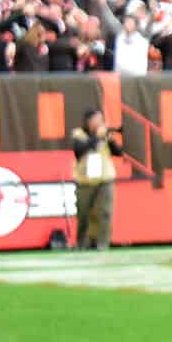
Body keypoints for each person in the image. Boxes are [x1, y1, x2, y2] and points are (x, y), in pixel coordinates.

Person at [69, 107, 121, 250]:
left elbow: (118, 153)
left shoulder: (104, 134)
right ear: (88, 121)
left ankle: (102, 244)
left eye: (101, 120)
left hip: (105, 178)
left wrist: (110, 140)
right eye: (96, 120)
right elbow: (79, 150)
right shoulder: (78, 134)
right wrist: (97, 137)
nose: (99, 123)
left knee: (105, 212)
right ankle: (82, 244)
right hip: (85, 180)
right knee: (84, 213)